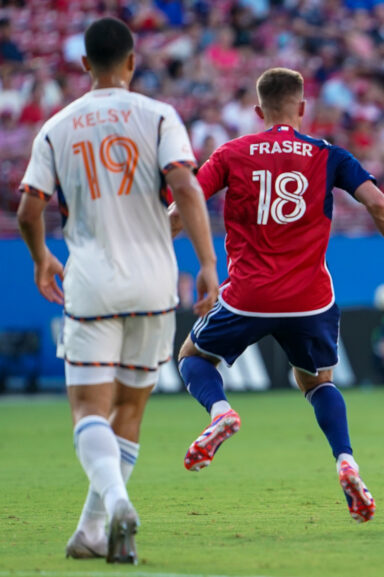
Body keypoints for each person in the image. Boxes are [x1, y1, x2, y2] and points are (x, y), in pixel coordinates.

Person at [170, 67, 384, 523]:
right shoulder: (328, 155)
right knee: (316, 383)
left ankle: (221, 412)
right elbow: (377, 202)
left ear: (258, 109)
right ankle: (345, 460)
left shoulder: (232, 153)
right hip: (311, 297)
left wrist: (153, 241)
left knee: (193, 357)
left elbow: (186, 203)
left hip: (248, 294)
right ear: (302, 107)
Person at [16, 18, 219, 562]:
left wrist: (41, 258)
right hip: (155, 285)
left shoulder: (57, 127)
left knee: (88, 408)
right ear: (132, 62)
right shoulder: (159, 117)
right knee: (129, 408)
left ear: (84, 64)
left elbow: (28, 208)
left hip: (91, 284)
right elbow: (186, 187)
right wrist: (205, 263)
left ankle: (113, 502)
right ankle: (93, 527)